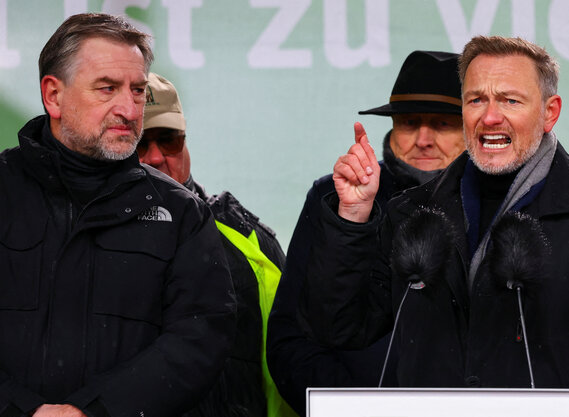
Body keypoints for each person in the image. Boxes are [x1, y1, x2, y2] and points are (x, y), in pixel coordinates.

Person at [297, 36, 569, 417]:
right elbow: (339, 326)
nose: (490, 117)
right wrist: (353, 216)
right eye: (476, 99)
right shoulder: (411, 211)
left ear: (549, 112)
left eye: (510, 100)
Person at [0, 13, 235, 417]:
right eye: (107, 89)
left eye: (138, 90)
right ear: (53, 96)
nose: (129, 108)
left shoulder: (180, 213)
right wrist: (21, 409)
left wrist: (96, 410)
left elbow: (200, 337)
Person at [266, 50, 465, 415]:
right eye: (409, 122)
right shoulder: (333, 197)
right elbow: (291, 338)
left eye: (442, 124)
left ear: (472, 128)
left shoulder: (496, 201)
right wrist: (357, 408)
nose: (423, 138)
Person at [139, 73, 292, 417]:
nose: (155, 157)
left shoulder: (247, 238)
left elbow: (286, 364)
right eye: (138, 143)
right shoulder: (80, 236)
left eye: (169, 140)